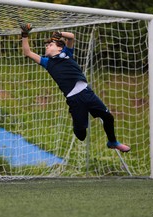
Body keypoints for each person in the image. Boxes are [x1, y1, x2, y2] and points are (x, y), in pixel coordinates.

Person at [20, 23, 130, 152]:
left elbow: (71, 37)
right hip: (74, 100)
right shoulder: (47, 62)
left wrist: (60, 34)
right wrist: (25, 35)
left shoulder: (67, 53)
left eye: (50, 45)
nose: (46, 47)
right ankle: (76, 119)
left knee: (108, 117)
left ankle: (113, 142)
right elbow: (27, 52)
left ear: (60, 48)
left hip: (87, 93)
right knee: (81, 135)